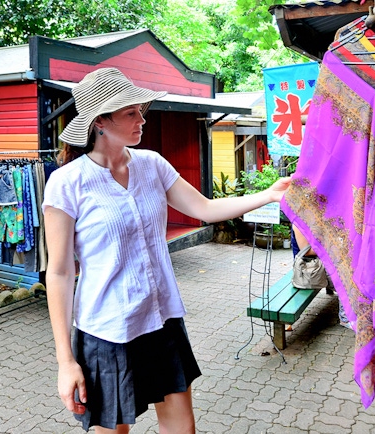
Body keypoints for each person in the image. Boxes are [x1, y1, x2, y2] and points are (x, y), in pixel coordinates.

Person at [42, 67, 291, 434]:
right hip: (107, 330)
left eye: (141, 110)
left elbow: (204, 208)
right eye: (131, 113)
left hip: (161, 319)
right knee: (114, 430)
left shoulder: (152, 165)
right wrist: (66, 361)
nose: (142, 119)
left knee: (181, 427)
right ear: (100, 122)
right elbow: (60, 272)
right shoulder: (67, 182)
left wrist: (268, 195)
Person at [292, 224, 352, 330]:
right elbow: (307, 252)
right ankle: (346, 318)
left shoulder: (314, 217)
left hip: (320, 263)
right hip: (308, 270)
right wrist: (335, 246)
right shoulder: (298, 222)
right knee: (347, 279)